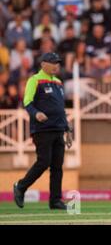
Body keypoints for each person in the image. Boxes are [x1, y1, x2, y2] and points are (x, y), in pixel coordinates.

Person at [13, 52, 72, 210]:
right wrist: (36, 113)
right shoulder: (34, 80)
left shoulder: (59, 83)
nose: (56, 65)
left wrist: (67, 129)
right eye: (53, 62)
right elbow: (27, 102)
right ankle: (21, 186)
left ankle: (55, 200)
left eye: (58, 62)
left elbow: (60, 109)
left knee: (57, 166)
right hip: (42, 129)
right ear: (43, 64)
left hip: (58, 129)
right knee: (44, 162)